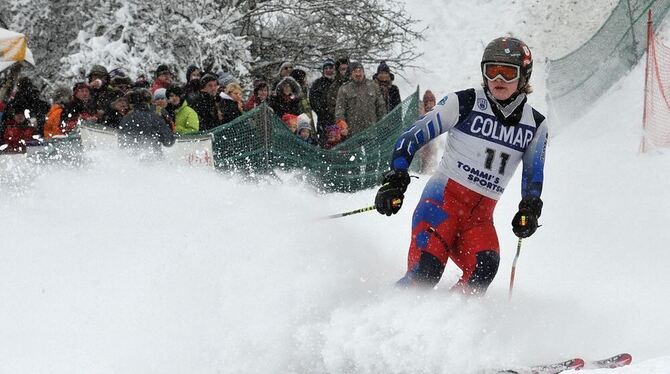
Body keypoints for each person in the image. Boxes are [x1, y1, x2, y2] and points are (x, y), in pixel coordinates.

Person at [375, 37, 548, 296]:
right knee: (425, 273)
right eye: (492, 70)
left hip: (478, 219)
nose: (498, 78)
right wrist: (395, 177)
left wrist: (530, 207)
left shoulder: (535, 124)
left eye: (508, 72)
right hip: (441, 204)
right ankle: (376, 315)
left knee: (484, 268)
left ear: (524, 77)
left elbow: (533, 175)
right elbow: (413, 135)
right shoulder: (464, 102)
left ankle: (447, 328)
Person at [118, 88, 175, 157]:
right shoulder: (155, 118)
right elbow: (169, 141)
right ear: (149, 100)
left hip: (130, 159)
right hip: (153, 158)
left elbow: (121, 141)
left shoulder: (126, 118)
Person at [334, 61, 386, 135]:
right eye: (355, 71)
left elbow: (381, 106)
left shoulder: (373, 86)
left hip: (372, 131)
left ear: (363, 72)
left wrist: (382, 123)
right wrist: (341, 123)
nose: (358, 74)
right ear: (351, 73)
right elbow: (340, 109)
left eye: (360, 71)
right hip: (352, 134)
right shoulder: (344, 89)